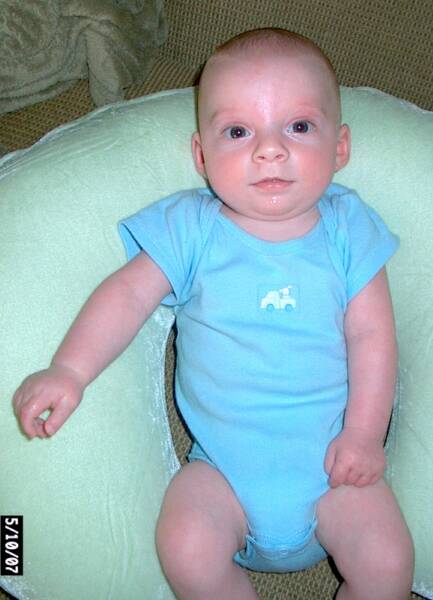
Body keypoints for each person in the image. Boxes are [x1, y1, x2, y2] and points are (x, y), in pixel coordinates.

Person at [13, 28, 414, 600]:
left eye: (299, 127)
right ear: (202, 156)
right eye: (238, 131)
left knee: (389, 562)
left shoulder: (349, 227)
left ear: (340, 147)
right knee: (185, 544)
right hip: (220, 474)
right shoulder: (190, 228)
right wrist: (70, 370)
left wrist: (364, 435)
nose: (269, 149)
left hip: (336, 470)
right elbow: (126, 295)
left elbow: (374, 336)